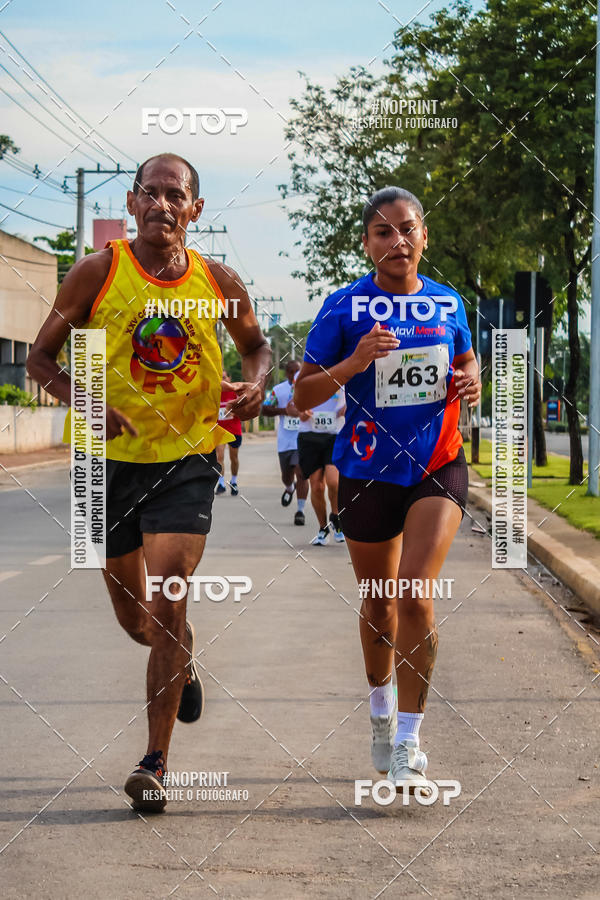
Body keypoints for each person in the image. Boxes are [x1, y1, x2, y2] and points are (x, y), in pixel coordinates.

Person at [26, 153, 271, 812]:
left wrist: (257, 382)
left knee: (166, 608)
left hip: (187, 461)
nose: (163, 205)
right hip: (107, 464)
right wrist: (83, 400)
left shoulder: (218, 280)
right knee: (137, 620)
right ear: (133, 204)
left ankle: (155, 762)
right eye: (151, 193)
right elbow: (38, 358)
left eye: (177, 195)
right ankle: (181, 658)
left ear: (195, 210)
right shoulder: (97, 273)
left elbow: (257, 345)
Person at [293, 186, 481, 791]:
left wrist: (470, 381)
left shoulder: (450, 303)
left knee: (414, 595)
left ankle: (409, 740)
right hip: (368, 470)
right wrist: (354, 363)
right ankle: (379, 715)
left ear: (425, 235)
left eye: (407, 229)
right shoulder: (344, 307)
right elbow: (302, 393)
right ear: (367, 242)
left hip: (437, 464)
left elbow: (469, 360)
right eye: (382, 232)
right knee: (377, 603)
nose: (397, 241)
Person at [288, 385, 345, 546]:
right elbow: (290, 407)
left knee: (334, 482)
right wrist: (300, 412)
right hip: (309, 437)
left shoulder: (342, 371)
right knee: (317, 487)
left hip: (334, 435)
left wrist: (348, 409)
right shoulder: (304, 374)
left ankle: (336, 517)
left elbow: (356, 399)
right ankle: (323, 528)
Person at [262, 359, 308, 525]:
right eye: (293, 371)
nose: (296, 374)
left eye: (299, 370)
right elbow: (265, 409)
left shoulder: (308, 388)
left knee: (301, 473)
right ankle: (289, 488)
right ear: (287, 373)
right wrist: (285, 411)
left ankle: (300, 511)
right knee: (287, 476)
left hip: (303, 438)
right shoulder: (278, 390)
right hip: (285, 441)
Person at [215, 369, 243, 496]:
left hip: (234, 430)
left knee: (234, 458)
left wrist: (235, 412)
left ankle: (234, 481)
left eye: (225, 377)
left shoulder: (235, 393)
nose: (223, 380)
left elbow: (244, 410)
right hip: (220, 430)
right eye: (220, 378)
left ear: (229, 379)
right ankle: (221, 483)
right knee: (219, 457)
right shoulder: (215, 393)